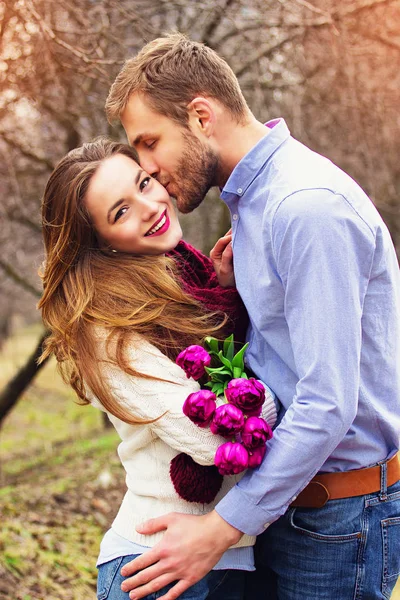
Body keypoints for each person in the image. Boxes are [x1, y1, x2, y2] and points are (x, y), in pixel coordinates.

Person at [104, 33, 400, 600]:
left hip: (336, 518)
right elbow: (279, 356)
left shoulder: (304, 206)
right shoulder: (253, 204)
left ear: (200, 115)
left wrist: (222, 527)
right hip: (285, 501)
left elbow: (327, 402)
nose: (148, 167)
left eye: (150, 142)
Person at [38, 137, 278, 600]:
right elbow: (216, 437)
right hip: (156, 566)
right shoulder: (107, 329)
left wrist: (230, 291)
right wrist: (270, 396)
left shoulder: (187, 283)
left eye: (144, 183)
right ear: (99, 244)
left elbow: (227, 371)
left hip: (226, 557)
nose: (149, 206)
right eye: (120, 212)